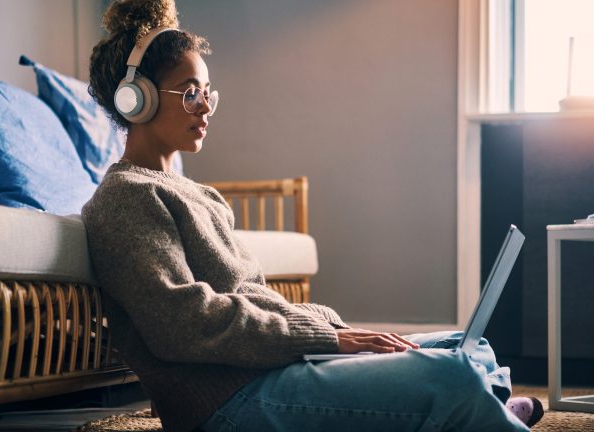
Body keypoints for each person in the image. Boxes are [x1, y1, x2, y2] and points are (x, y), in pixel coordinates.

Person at [82, 1, 544, 431]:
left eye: (206, 92)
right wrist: (327, 340)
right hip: (228, 400)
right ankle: (482, 408)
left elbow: (256, 299)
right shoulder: (125, 197)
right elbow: (183, 325)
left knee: (467, 346)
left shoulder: (198, 193)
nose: (204, 107)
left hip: (272, 365)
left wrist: (334, 331)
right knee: (453, 376)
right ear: (135, 100)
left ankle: (485, 410)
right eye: (188, 93)